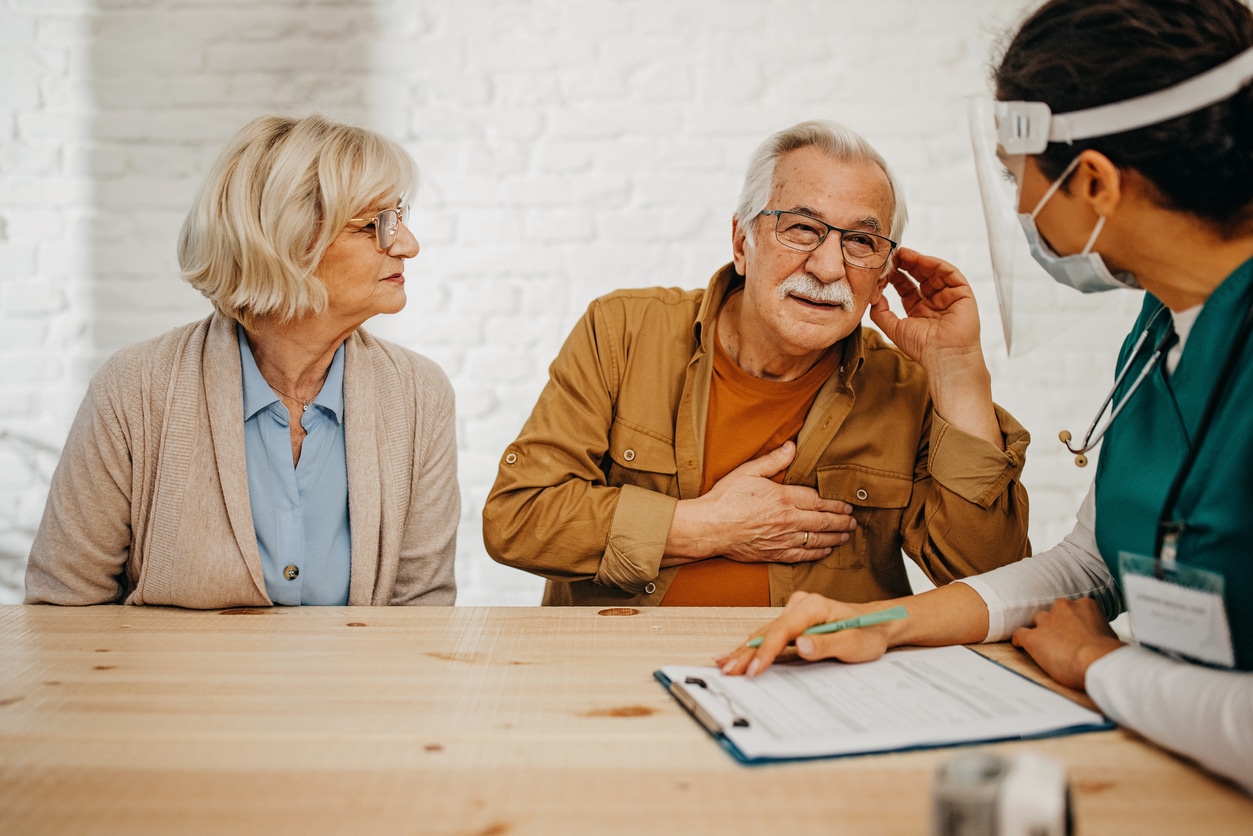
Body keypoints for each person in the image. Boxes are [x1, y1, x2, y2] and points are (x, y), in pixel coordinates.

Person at [722, 0, 1253, 795]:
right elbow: (1089, 565)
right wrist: (884, 622)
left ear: (1096, 181)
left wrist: (1098, 665)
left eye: (1019, 179)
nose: (1015, 208)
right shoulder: (1162, 322)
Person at [482, 120, 1031, 607]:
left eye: (860, 241)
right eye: (801, 228)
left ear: (883, 274)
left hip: (821, 686)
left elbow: (993, 581)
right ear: (742, 243)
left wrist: (958, 370)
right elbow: (520, 519)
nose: (827, 266)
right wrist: (707, 528)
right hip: (618, 674)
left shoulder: (907, 389)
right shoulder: (623, 331)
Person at [25, 113, 459, 609]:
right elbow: (63, 611)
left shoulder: (418, 393)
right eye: (374, 225)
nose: (408, 244)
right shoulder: (136, 388)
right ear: (287, 242)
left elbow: (421, 613)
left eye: (399, 218)